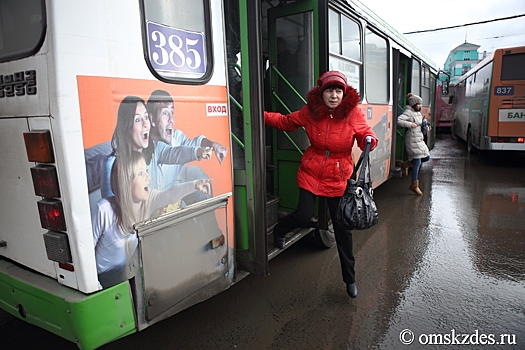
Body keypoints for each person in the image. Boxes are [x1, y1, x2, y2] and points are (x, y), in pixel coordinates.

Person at [264, 70, 378, 299]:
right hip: (311, 170)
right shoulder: (311, 111)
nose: (334, 95)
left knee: (342, 228)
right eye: (329, 90)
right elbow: (287, 122)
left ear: (343, 94)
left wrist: (370, 139)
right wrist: (261, 114)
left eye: (338, 91)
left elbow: (365, 132)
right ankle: (279, 230)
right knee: (304, 215)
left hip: (338, 175)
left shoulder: (352, 113)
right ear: (321, 93)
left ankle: (350, 279)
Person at [92, 151, 211, 281]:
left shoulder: (147, 202)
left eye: (147, 171)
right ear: (125, 180)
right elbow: (87, 250)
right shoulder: (103, 210)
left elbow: (170, 195)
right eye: (141, 173)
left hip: (125, 271)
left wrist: (194, 185)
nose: (148, 177)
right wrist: (95, 284)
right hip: (102, 275)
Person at [146, 90, 228, 202]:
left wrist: (214, 145)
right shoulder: (142, 146)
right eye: (165, 113)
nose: (171, 120)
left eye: (172, 113)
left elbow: (196, 142)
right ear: (153, 119)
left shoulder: (177, 137)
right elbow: (175, 153)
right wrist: (198, 152)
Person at [397, 93, 430, 196]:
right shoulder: (408, 112)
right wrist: (410, 124)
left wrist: (426, 127)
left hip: (419, 140)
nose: (420, 106)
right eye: (418, 104)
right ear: (413, 104)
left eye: (421, 104)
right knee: (417, 162)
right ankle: (414, 185)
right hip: (411, 140)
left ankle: (405, 164)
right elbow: (399, 121)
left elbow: (420, 124)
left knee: (426, 158)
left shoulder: (418, 113)